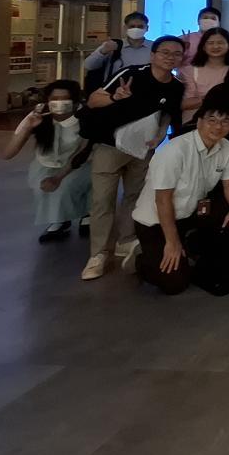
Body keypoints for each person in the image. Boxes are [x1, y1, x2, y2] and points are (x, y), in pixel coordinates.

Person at [79, 35, 185, 281]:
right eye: (165, 52)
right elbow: (94, 100)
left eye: (176, 54)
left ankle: (125, 240)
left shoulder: (176, 86)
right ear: (153, 55)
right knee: (102, 200)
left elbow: (167, 115)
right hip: (110, 145)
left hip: (142, 150)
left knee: (134, 196)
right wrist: (115, 97)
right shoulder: (132, 74)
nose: (170, 57)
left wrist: (159, 137)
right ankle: (98, 254)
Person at [130, 100, 229, 295]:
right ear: (199, 121)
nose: (218, 126)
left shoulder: (226, 146)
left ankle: (195, 247)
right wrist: (172, 242)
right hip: (157, 221)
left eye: (225, 121)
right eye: (212, 120)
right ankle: (143, 260)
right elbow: (162, 200)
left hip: (189, 214)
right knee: (174, 284)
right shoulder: (175, 150)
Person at [2, 80, 90, 243]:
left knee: (69, 185)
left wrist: (58, 178)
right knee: (42, 187)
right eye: (54, 99)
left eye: (64, 99)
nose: (59, 103)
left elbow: (82, 154)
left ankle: (87, 212)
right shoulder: (39, 115)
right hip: (46, 164)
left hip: (80, 164)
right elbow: (8, 153)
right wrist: (28, 127)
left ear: (75, 101)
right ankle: (60, 219)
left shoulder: (85, 117)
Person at [178, 27, 229, 129]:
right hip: (195, 124)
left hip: (228, 123)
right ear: (203, 46)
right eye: (210, 43)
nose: (215, 46)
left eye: (220, 42)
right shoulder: (189, 70)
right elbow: (184, 104)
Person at [83, 11, 152, 83]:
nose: (136, 29)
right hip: (115, 88)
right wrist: (103, 52)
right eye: (132, 26)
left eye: (140, 27)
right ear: (125, 28)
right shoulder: (112, 45)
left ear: (147, 28)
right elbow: (88, 66)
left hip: (145, 87)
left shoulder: (154, 47)